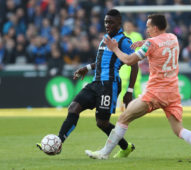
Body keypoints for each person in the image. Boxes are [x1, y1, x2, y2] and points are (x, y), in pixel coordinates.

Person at [85, 14, 191, 160]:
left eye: (148, 26)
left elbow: (129, 60)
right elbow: (160, 43)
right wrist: (144, 42)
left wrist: (115, 49)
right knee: (179, 130)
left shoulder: (150, 44)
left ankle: (104, 154)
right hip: (173, 93)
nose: (147, 29)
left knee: (123, 118)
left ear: (155, 28)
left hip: (155, 93)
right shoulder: (173, 38)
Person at [37, 9, 138, 158]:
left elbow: (134, 64)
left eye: (111, 22)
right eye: (105, 22)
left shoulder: (124, 41)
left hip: (109, 85)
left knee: (102, 123)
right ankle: (58, 143)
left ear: (119, 22)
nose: (107, 24)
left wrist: (129, 91)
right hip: (95, 83)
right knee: (73, 108)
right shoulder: (105, 38)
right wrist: (87, 68)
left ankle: (125, 147)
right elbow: (101, 61)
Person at [118, 21, 143, 111]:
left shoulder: (138, 36)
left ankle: (140, 104)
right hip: (124, 63)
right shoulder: (120, 36)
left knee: (136, 84)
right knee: (123, 84)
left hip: (135, 62)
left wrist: (138, 58)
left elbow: (141, 49)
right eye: (126, 26)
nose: (128, 27)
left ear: (133, 27)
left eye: (129, 26)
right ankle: (122, 104)